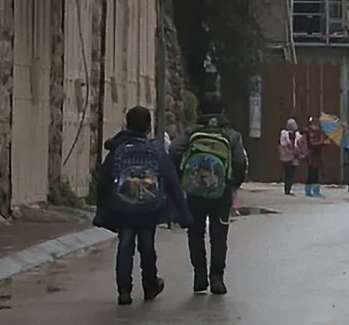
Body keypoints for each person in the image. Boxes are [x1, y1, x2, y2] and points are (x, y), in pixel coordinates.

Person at [94, 106, 192, 305]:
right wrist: (183, 214)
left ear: (126, 124)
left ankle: (123, 290)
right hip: (149, 208)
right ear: (148, 127)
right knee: (147, 247)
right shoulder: (155, 150)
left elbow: (104, 180)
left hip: (123, 207)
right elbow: (172, 181)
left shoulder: (118, 149)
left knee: (125, 245)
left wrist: (103, 209)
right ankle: (150, 285)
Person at [170, 92, 248, 295]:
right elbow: (240, 162)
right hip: (221, 193)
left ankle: (199, 275)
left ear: (199, 110)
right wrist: (232, 184)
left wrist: (183, 177)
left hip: (195, 191)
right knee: (219, 235)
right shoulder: (231, 135)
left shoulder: (190, 132)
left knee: (195, 232)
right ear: (223, 111)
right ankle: (217, 278)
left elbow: (174, 152)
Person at [278, 118, 303, 196]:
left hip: (295, 155)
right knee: (287, 172)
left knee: (292, 172)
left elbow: (299, 144)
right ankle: (287, 189)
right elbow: (282, 143)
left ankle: (289, 188)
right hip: (287, 155)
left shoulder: (298, 134)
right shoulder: (284, 133)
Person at [304, 117, 328, 197]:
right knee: (313, 174)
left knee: (315, 173)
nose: (317, 126)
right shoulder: (311, 133)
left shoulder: (317, 133)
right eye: (315, 124)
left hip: (316, 156)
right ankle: (312, 191)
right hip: (312, 156)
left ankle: (311, 190)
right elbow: (311, 145)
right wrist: (322, 143)